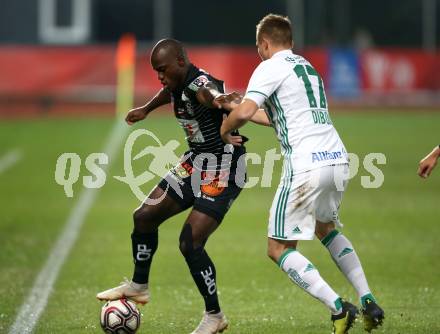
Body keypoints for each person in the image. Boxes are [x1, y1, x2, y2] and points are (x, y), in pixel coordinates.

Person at [216, 14, 384, 334]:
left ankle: (339, 308)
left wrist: (227, 125)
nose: (259, 54)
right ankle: (368, 300)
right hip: (337, 158)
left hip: (306, 166)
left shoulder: (268, 66)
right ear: (290, 41)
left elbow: (246, 112)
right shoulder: (307, 67)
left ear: (264, 44)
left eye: (259, 48)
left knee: (278, 248)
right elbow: (278, 117)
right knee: (326, 228)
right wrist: (242, 107)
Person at [97, 38, 247, 334]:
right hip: (196, 160)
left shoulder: (199, 83)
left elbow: (209, 94)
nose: (159, 76)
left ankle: (215, 316)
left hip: (224, 166)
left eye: (163, 70)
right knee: (143, 216)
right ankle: (139, 286)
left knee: (189, 242)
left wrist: (222, 100)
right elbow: (171, 91)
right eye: (156, 72)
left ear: (181, 62)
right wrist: (146, 108)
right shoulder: (178, 83)